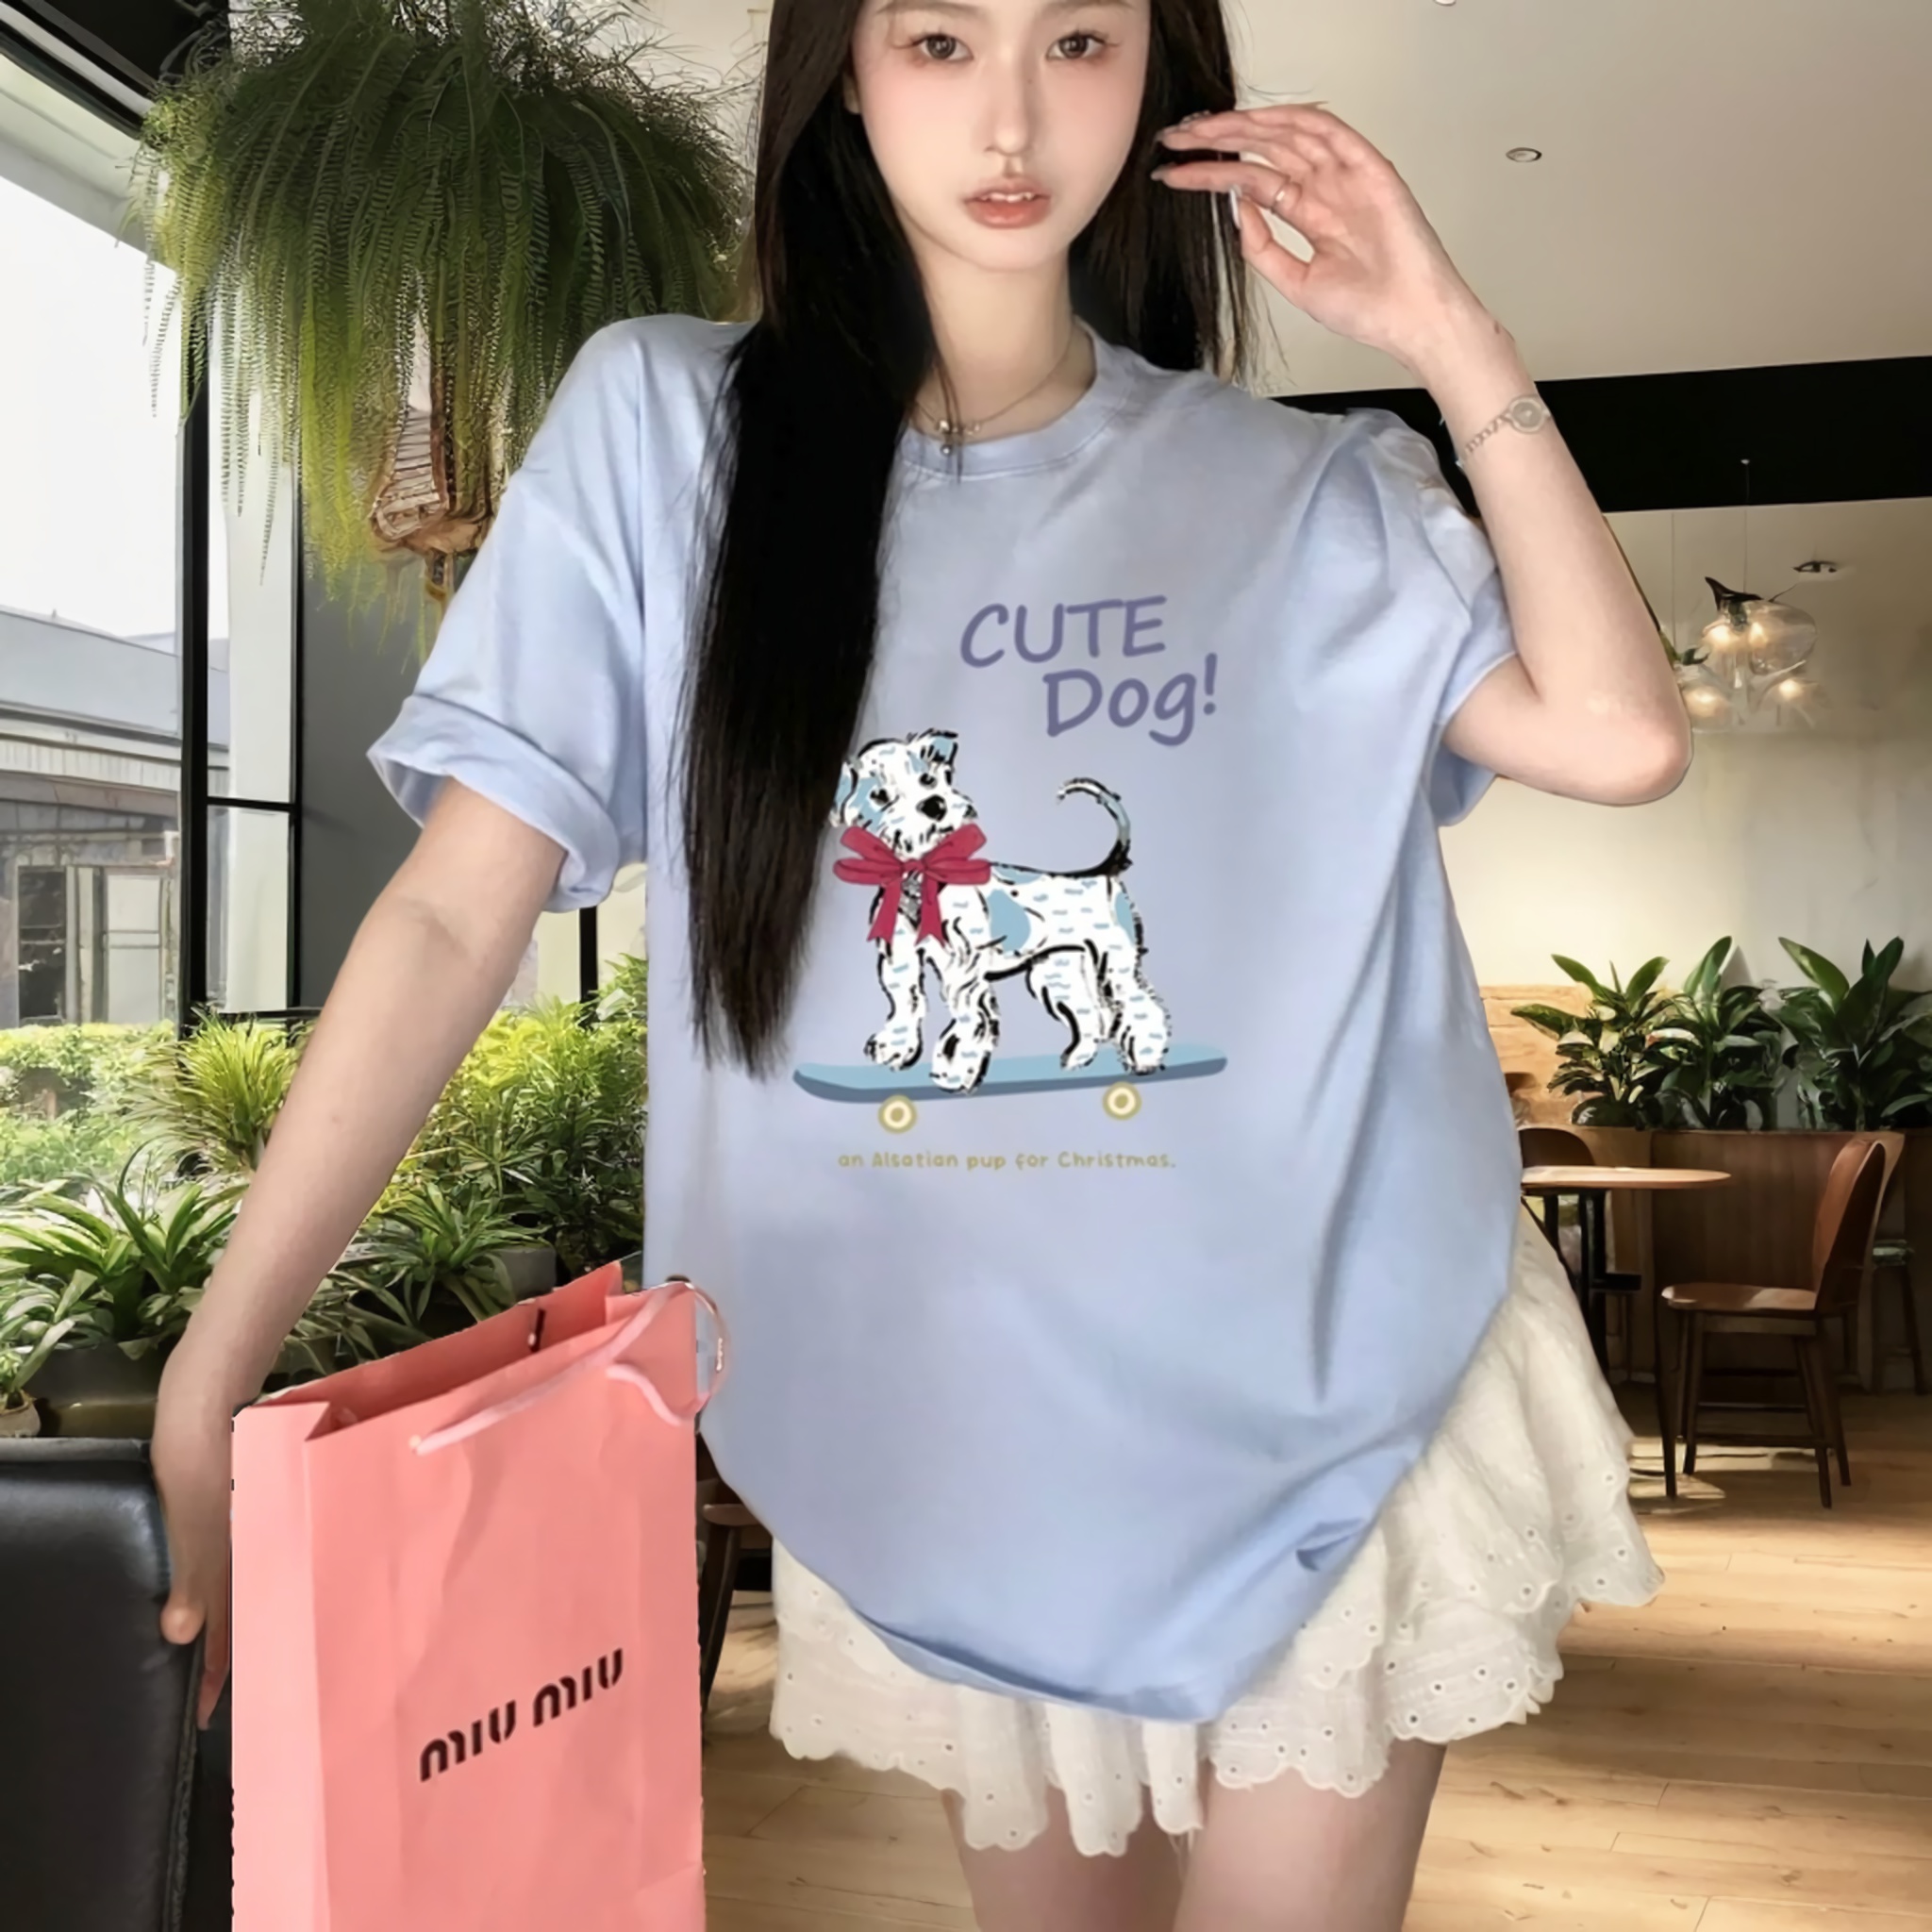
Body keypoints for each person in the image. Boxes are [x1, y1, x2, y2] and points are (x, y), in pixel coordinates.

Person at [150, 0, 1689, 1924]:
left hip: (1325, 1375)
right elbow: (456, 912)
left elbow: (1622, 737)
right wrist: (219, 1355)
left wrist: (1455, 342)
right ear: (848, 72)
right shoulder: (669, 428)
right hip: (950, 1421)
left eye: (1079, 40)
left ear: (1160, 77)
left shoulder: (1306, 491)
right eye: (942, 41)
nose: (1014, 116)